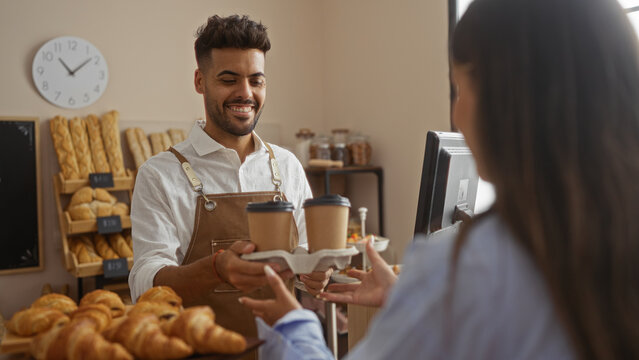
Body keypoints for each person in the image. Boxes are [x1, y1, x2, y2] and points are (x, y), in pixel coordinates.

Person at [240, 0, 639, 358]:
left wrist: (296, 326)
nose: (457, 115)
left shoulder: (468, 270)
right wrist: (416, 303)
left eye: (459, 90)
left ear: (506, 102)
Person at [128, 14, 332, 341]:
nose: (245, 93)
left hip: (281, 350)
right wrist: (216, 269)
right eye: (228, 79)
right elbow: (144, 282)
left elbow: (307, 252)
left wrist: (316, 274)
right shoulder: (159, 174)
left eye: (256, 80)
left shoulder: (287, 165)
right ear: (199, 81)